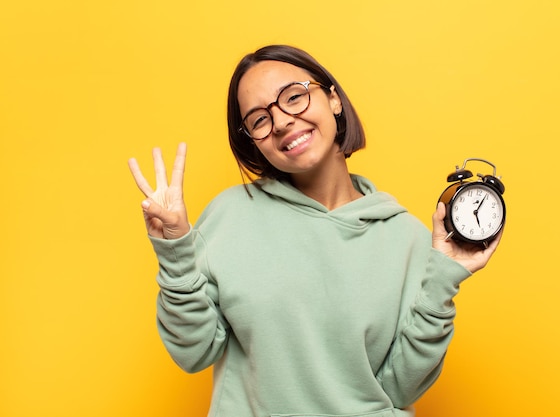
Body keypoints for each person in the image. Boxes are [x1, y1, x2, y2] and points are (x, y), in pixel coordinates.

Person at [128, 45, 502, 417]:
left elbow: (399, 387)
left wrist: (443, 281)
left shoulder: (407, 237)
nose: (282, 121)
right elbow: (194, 352)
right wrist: (175, 250)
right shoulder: (230, 215)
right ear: (254, 143)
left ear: (333, 100)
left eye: (294, 97)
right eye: (259, 119)